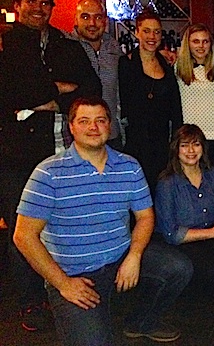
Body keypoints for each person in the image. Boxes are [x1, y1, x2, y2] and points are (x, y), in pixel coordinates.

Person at [13, 96, 192, 345]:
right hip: (75, 274)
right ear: (71, 127)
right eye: (84, 121)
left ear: (110, 126)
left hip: (119, 258)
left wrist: (134, 256)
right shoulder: (48, 173)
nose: (93, 127)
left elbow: (145, 217)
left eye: (100, 120)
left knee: (178, 268)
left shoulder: (128, 166)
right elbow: (23, 236)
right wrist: (63, 283)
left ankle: (142, 322)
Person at [0, 0, 101, 331]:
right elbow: (8, 96)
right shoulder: (6, 45)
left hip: (62, 152)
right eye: (31, 1)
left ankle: (64, 286)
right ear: (18, 4)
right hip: (16, 157)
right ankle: (31, 301)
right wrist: (58, 91)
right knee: (23, 233)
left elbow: (91, 89)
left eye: (45, 3)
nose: (39, 8)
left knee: (63, 225)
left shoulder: (63, 44)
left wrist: (34, 101)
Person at [154, 124, 214, 293]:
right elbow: (171, 233)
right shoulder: (167, 183)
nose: (191, 150)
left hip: (212, 232)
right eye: (184, 145)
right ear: (176, 150)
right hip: (185, 241)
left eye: (196, 144)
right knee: (210, 265)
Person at [119, 9, 182, 194]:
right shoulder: (126, 64)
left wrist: (177, 140)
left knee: (161, 191)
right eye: (146, 31)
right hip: (136, 142)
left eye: (156, 31)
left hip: (162, 142)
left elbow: (175, 107)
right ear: (137, 32)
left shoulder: (167, 65)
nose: (152, 36)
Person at [70, 0, 124, 149]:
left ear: (105, 21)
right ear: (76, 19)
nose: (92, 23)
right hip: (77, 139)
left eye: (98, 17)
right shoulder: (64, 47)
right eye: (85, 17)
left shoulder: (114, 47)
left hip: (111, 136)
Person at [176, 23, 214, 165]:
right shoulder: (177, 69)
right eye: (196, 41)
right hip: (188, 136)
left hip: (213, 134)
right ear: (188, 44)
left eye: (205, 41)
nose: (201, 46)